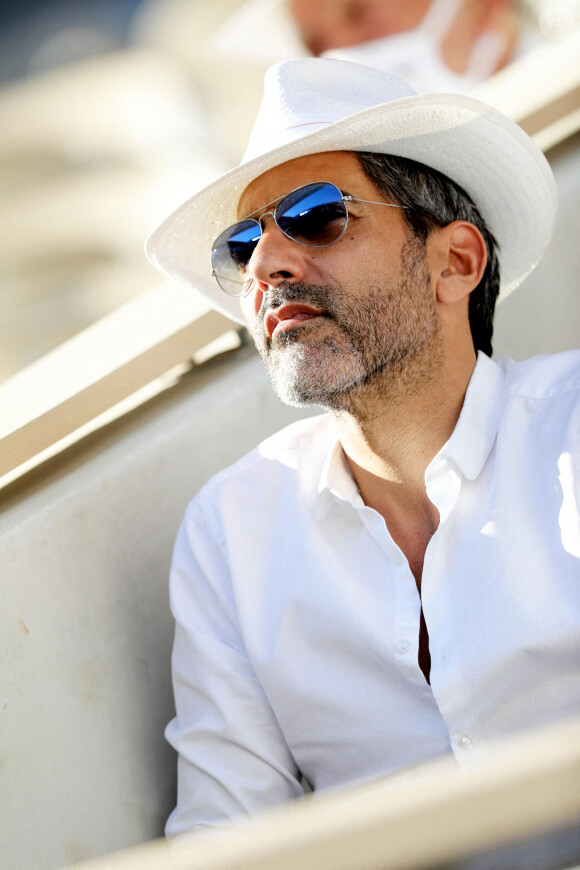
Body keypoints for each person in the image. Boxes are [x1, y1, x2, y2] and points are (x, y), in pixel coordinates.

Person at [145, 57, 580, 837]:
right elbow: (224, 841)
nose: (268, 265)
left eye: (316, 216)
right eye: (241, 246)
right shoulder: (231, 530)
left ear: (455, 263)